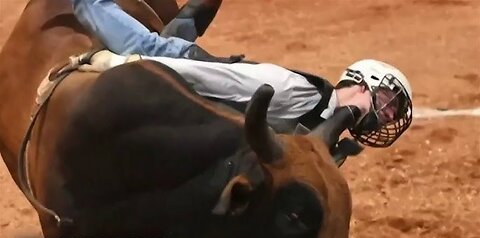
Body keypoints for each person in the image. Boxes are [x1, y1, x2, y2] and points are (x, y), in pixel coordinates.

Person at [70, 0, 413, 148]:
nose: (385, 117)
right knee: (94, 8)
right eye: (386, 103)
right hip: (188, 63)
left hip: (199, 72)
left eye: (391, 115)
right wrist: (128, 65)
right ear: (361, 84)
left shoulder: (327, 135)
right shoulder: (300, 93)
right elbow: (217, 80)